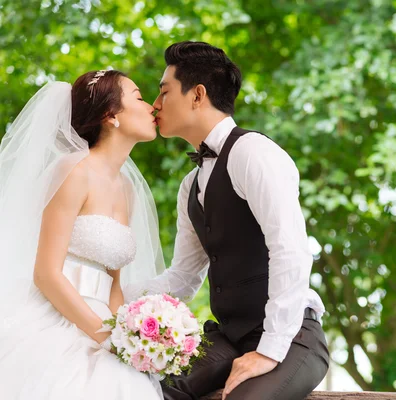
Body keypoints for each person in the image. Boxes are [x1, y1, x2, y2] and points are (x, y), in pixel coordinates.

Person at [125, 41, 330, 400]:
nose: (155, 105)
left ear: (197, 95)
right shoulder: (190, 184)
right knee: (146, 390)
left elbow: (291, 250)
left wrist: (268, 350)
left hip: (292, 336)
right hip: (228, 337)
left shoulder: (254, 153)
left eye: (163, 91)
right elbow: (184, 277)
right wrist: (115, 307)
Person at [0, 70, 165, 399]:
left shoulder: (127, 188)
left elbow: (114, 284)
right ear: (110, 115)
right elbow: (46, 273)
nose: (151, 107)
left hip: (105, 322)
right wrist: (105, 336)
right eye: (138, 96)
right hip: (59, 316)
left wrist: (131, 338)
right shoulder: (74, 170)